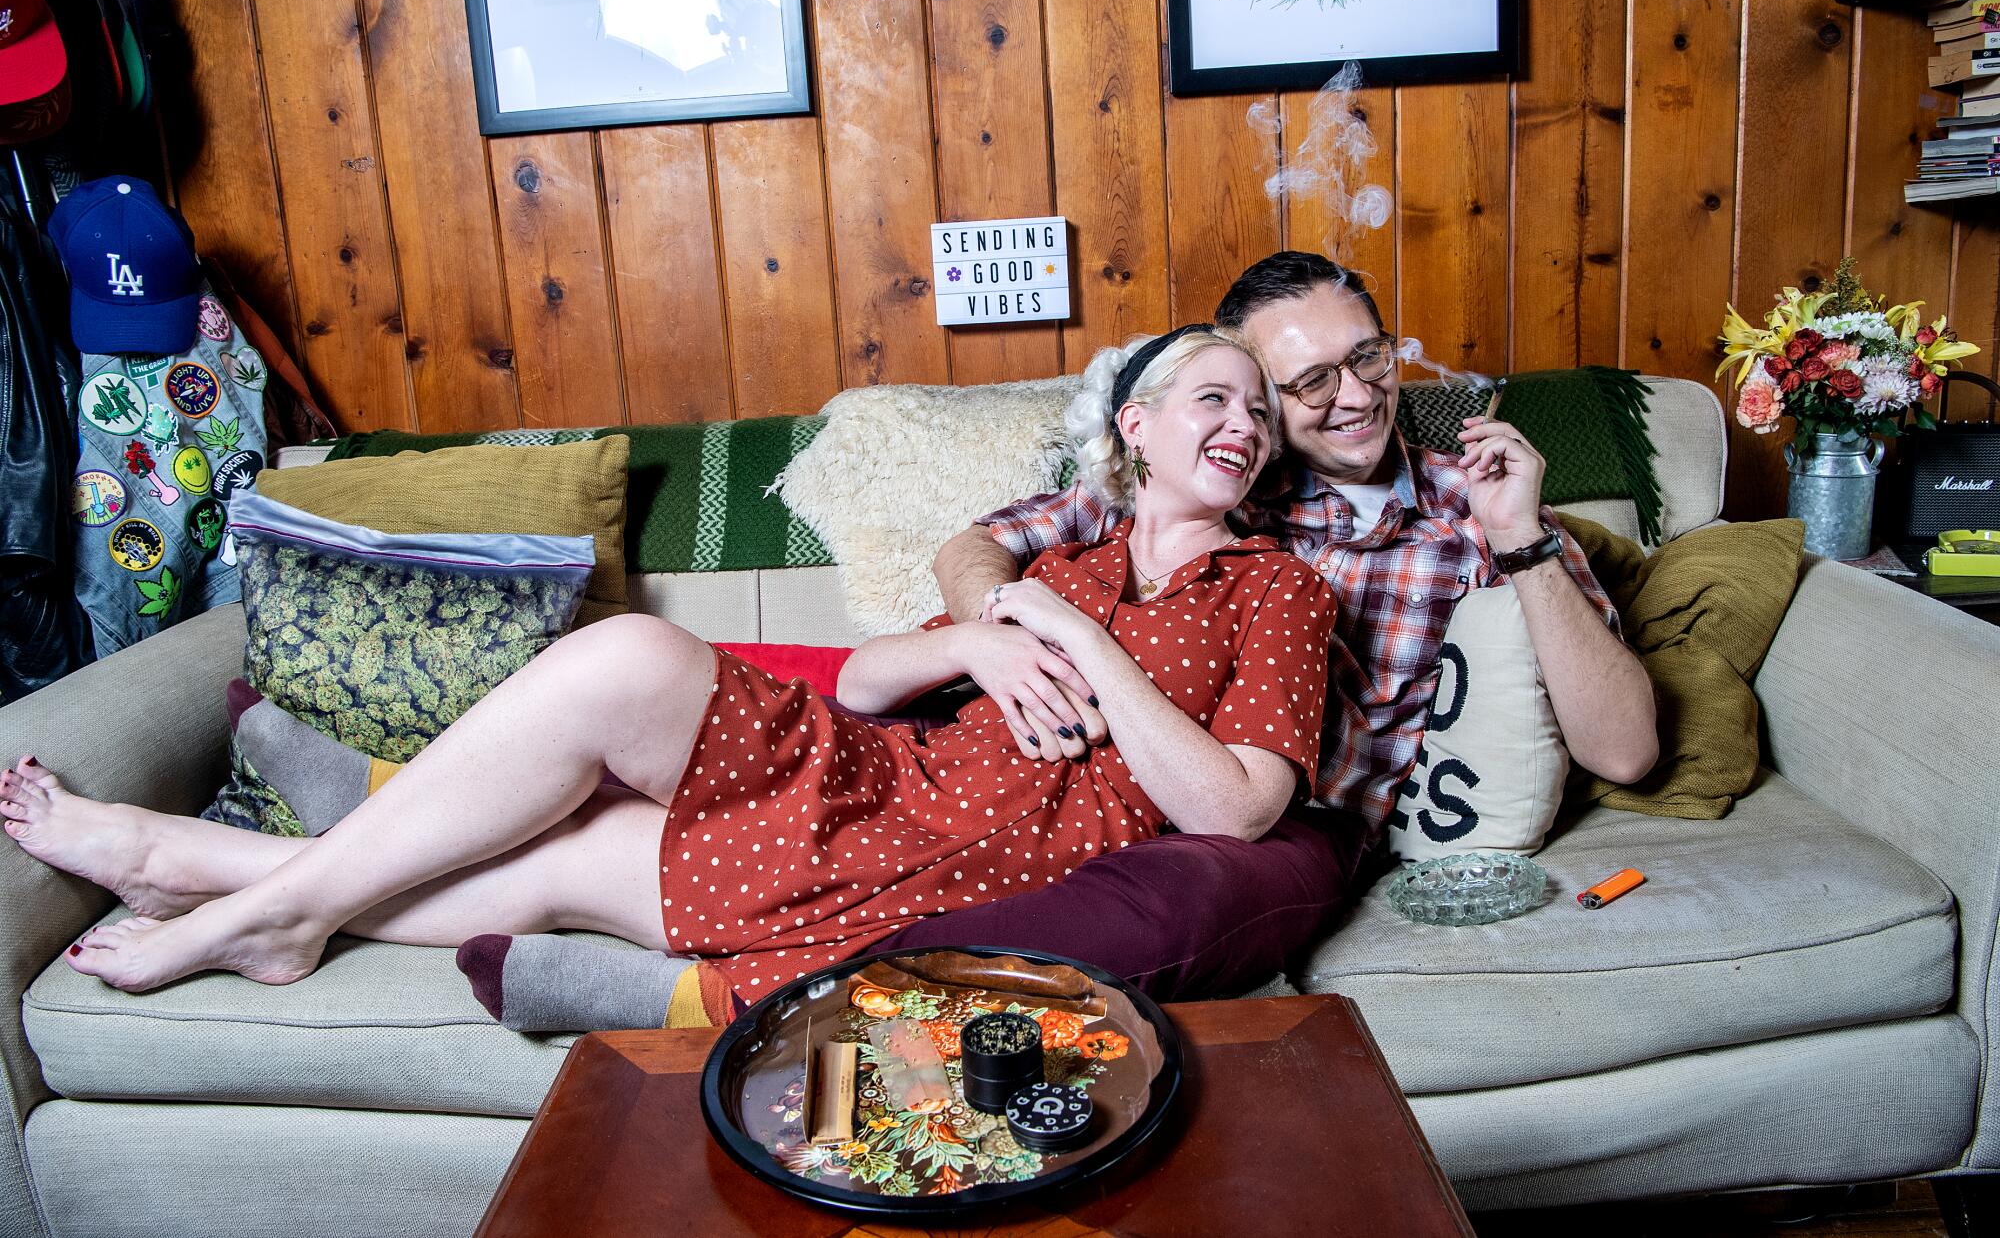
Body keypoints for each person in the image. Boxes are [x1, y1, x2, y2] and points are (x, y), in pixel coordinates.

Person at [2, 327, 1339, 1015]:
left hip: (971, 860)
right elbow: (872, 689)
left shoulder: (1275, 587)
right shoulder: (1059, 557)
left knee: (560, 866)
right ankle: (245, 891)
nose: (1240, 421)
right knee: (627, 653)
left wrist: (1082, 644)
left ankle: (193, 868)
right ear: (1139, 426)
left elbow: (1238, 806)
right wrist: (990, 633)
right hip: (880, 777)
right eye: (1209, 396)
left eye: (1257, 410)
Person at [918, 250, 1657, 910]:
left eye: (1369, 358)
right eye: (1311, 381)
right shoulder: (1208, 472)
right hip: (1085, 794)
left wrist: (1522, 541)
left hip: (1269, 839)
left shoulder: (1479, 509)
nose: (1359, 396)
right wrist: (1008, 650)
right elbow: (975, 546)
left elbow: (1626, 751)